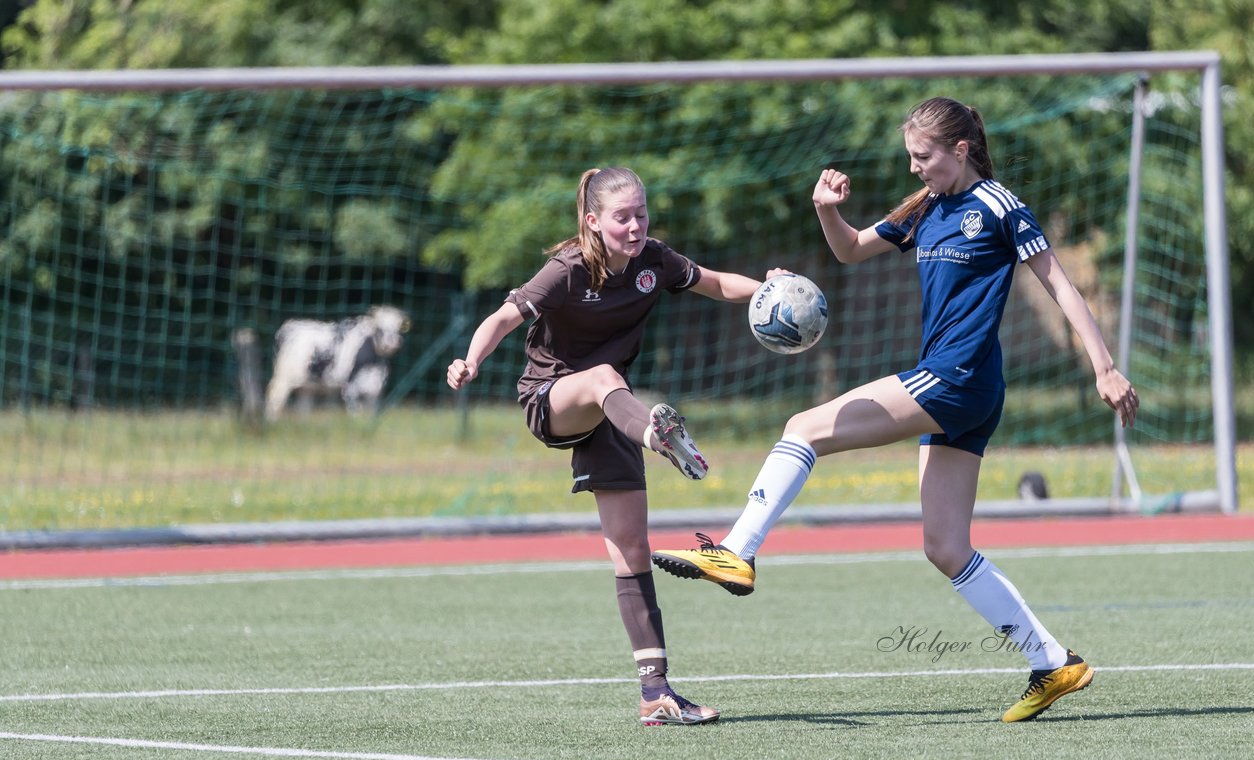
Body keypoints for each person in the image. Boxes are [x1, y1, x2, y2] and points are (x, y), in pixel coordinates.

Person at [651, 97, 1140, 723]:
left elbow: (1059, 284)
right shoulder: (925, 208)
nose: (914, 168)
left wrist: (1103, 365)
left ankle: (738, 550)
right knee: (945, 546)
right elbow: (851, 249)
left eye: (923, 156)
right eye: (910, 156)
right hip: (965, 391)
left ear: (960, 150)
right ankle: (1052, 662)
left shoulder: (999, 205)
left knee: (803, 428)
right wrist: (828, 212)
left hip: (957, 378)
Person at [446, 166, 780, 726]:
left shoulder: (655, 261)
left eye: (641, 213)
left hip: (613, 408)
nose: (635, 226)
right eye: (622, 217)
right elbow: (504, 316)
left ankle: (657, 694)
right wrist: (470, 360)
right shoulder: (567, 268)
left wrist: (771, 290)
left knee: (630, 549)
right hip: (553, 398)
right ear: (593, 222)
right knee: (604, 376)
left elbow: (718, 283)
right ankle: (656, 433)